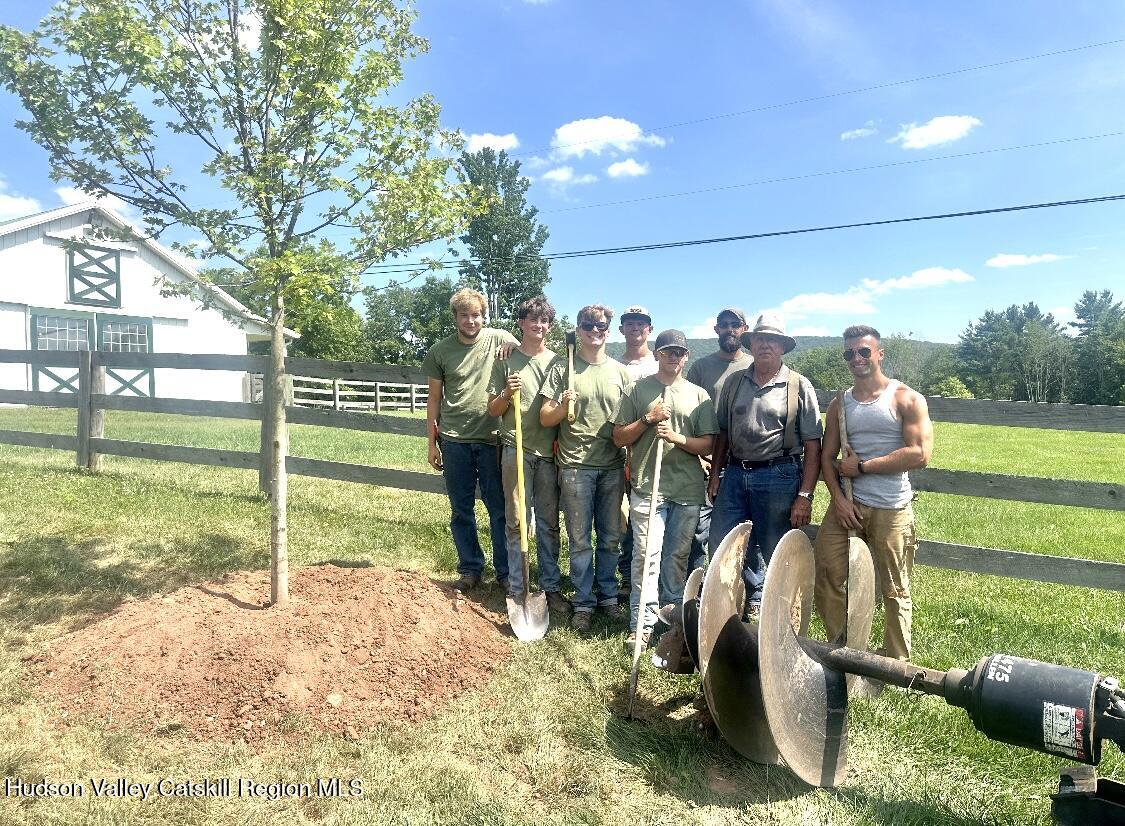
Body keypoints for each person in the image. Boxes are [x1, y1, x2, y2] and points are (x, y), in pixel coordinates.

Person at [814, 324, 933, 660]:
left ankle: (897, 666)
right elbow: (826, 457)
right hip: (847, 506)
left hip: (891, 509)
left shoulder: (905, 398)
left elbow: (920, 454)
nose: (857, 358)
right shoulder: (840, 404)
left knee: (894, 588)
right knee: (826, 576)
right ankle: (846, 651)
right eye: (850, 353)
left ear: (879, 354)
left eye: (864, 351)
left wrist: (862, 467)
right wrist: (838, 499)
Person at [708, 313, 822, 617]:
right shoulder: (734, 382)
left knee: (776, 551)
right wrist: (716, 474)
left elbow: (813, 446)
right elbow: (722, 433)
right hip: (734, 473)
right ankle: (727, 612)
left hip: (779, 475)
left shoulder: (799, 386)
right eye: (760, 339)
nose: (765, 345)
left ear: (782, 347)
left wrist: (805, 495)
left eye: (772, 340)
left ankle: (784, 617)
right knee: (722, 545)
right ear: (751, 343)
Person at [613, 330, 717, 649]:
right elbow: (619, 438)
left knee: (676, 558)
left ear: (687, 357)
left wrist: (676, 438)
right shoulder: (637, 390)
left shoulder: (699, 396)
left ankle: (671, 622)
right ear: (657, 354)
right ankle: (641, 625)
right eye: (667, 351)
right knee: (646, 556)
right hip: (648, 487)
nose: (673, 357)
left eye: (679, 352)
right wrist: (647, 419)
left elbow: (709, 443)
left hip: (686, 491)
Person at [541, 305, 632, 633]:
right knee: (580, 540)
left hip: (611, 466)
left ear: (609, 330)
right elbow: (545, 417)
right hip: (575, 466)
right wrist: (564, 405)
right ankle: (583, 602)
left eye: (601, 325)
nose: (595, 330)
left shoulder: (621, 373)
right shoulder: (563, 368)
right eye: (588, 325)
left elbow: (630, 422)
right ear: (578, 329)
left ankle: (608, 596)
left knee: (609, 538)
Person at [423, 288, 516, 592]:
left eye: (476, 315)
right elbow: (434, 398)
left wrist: (510, 347)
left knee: (499, 508)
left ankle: (505, 572)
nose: (471, 320)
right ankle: (470, 568)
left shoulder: (498, 337)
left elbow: (528, 349)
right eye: (464, 315)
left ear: (483, 315)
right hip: (454, 440)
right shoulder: (440, 351)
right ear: (456, 317)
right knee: (461, 508)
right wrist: (431, 441)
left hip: (491, 438)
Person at [486, 296, 569, 618]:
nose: (539, 326)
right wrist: (507, 392)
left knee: (548, 523)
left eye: (544, 321)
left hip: (547, 453)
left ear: (550, 325)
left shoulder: (558, 363)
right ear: (521, 323)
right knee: (516, 520)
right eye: (532, 320)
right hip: (515, 448)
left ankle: (550, 588)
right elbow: (492, 409)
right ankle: (517, 587)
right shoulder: (505, 360)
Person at [685, 307, 752, 571]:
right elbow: (687, 413)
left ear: (744, 329)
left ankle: (740, 587)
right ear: (716, 330)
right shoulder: (701, 368)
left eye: (735, 324)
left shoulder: (752, 365)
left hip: (739, 462)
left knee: (742, 528)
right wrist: (699, 455)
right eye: (724, 324)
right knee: (698, 530)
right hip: (703, 460)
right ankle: (698, 587)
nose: (729, 329)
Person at [615, 305, 658, 597]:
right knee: (620, 520)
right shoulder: (613, 365)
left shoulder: (661, 364)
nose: (635, 328)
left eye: (641, 324)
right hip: (616, 452)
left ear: (649, 330)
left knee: (647, 518)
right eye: (630, 323)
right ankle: (626, 576)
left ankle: (649, 579)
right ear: (621, 330)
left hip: (651, 454)